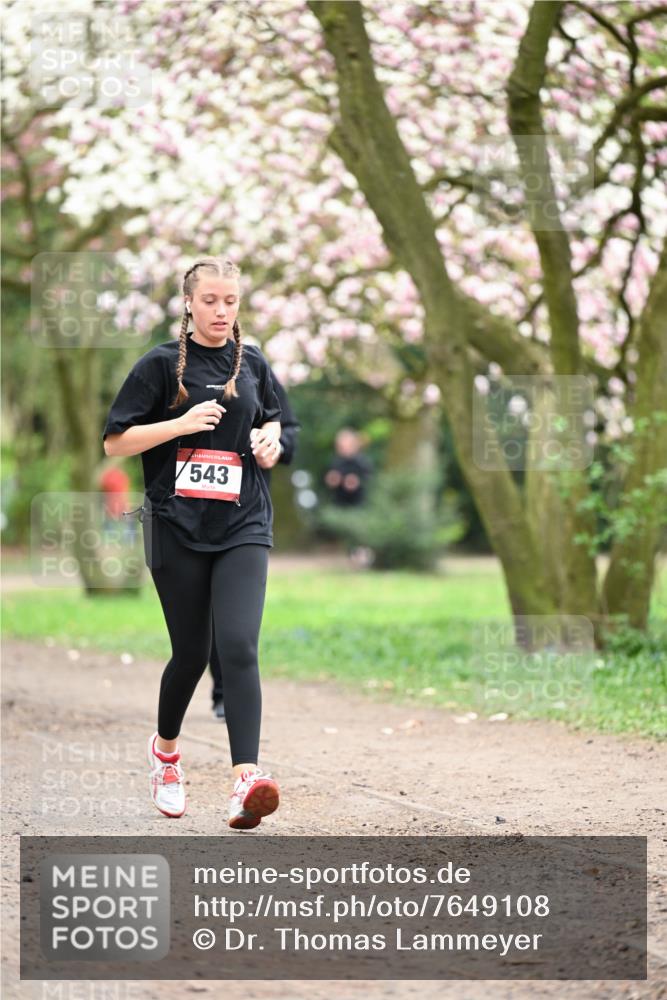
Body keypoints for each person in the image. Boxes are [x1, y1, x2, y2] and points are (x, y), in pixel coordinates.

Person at [102, 255, 281, 830]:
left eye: (231, 300)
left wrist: (270, 440)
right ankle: (166, 754)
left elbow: (275, 418)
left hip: (242, 521)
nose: (222, 311)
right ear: (188, 303)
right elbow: (116, 443)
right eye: (210, 300)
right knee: (191, 654)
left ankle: (244, 778)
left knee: (238, 645)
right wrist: (179, 424)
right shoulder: (158, 365)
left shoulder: (251, 362)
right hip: (173, 525)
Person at [210, 371, 300, 721]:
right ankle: (219, 687)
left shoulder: (257, 371)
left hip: (245, 511)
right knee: (201, 617)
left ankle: (225, 693)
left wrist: (272, 447)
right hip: (188, 512)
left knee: (232, 613)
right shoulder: (176, 367)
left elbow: (288, 430)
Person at [324, 427, 373, 507]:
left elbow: (369, 481)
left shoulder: (362, 462)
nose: (342, 449)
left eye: (345, 446)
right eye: (340, 446)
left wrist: (357, 482)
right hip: (338, 502)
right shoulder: (336, 461)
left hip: (358, 504)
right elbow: (329, 481)